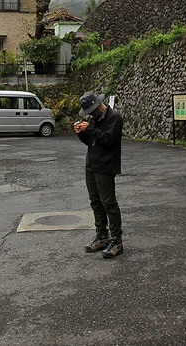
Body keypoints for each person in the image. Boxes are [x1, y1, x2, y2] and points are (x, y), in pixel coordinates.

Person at [74, 92, 124, 259]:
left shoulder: (114, 118)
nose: (91, 115)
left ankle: (116, 240)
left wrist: (91, 129)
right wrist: (82, 133)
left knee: (108, 202)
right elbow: (91, 141)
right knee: (95, 201)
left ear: (98, 105)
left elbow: (109, 141)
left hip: (106, 166)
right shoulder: (94, 119)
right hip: (92, 164)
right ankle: (102, 235)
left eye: (92, 111)